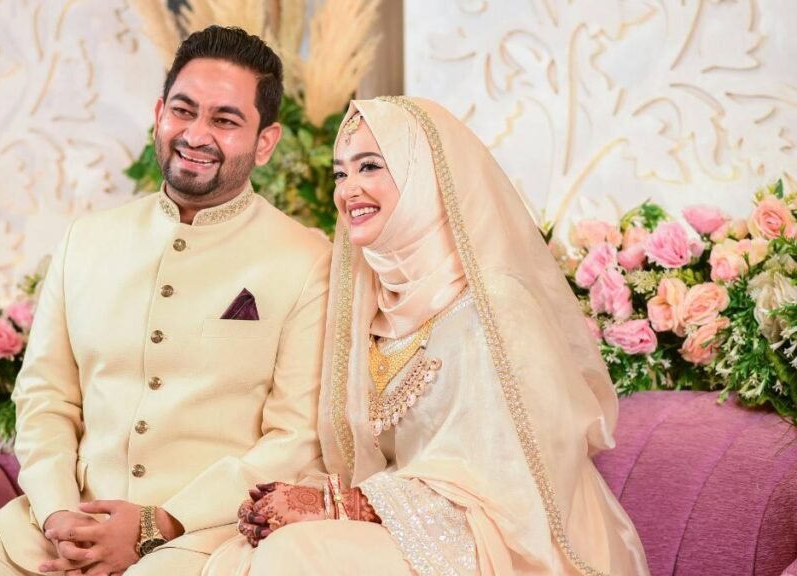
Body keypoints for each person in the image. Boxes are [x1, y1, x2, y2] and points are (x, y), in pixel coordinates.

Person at [0, 26, 331, 575]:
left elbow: (295, 439)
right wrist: (57, 514)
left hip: (201, 539)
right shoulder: (87, 240)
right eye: (183, 110)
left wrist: (158, 524)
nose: (196, 134)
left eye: (224, 120)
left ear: (265, 141)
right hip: (51, 532)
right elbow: (44, 398)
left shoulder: (307, 260)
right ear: (158, 113)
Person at [209, 96, 650, 575]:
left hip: (505, 541)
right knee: (246, 552)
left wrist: (337, 506)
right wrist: (302, 500)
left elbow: (507, 481)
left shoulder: (494, 305)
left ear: (427, 176)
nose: (349, 189)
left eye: (370, 167)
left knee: (299, 554)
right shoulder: (371, 305)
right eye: (341, 173)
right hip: (409, 524)